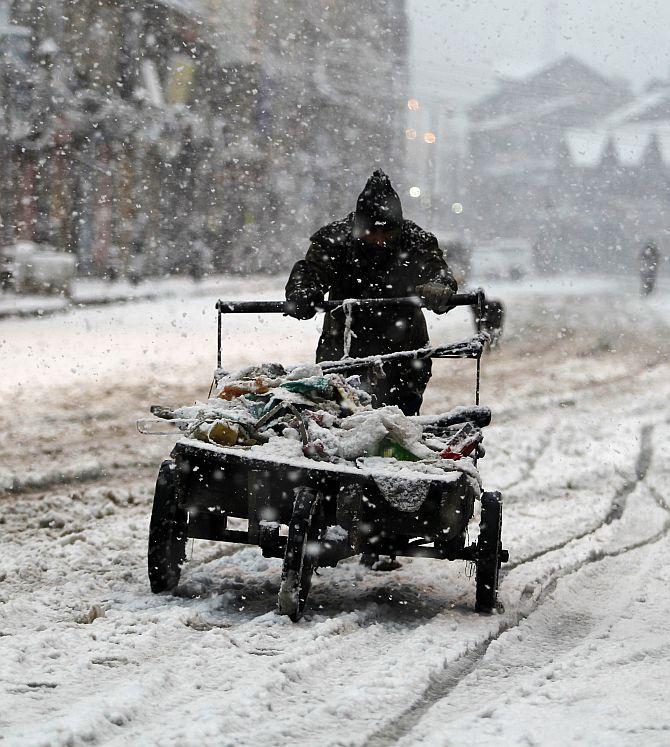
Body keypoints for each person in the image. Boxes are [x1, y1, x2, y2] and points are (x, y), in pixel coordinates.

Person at [285, 169, 457, 416]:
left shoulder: (416, 241)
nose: (378, 239)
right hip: (343, 354)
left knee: (394, 425)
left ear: (397, 228)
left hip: (404, 356)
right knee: (339, 423)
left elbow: (438, 272)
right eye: (370, 232)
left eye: (386, 232)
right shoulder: (334, 240)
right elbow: (311, 271)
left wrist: (439, 288)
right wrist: (303, 293)